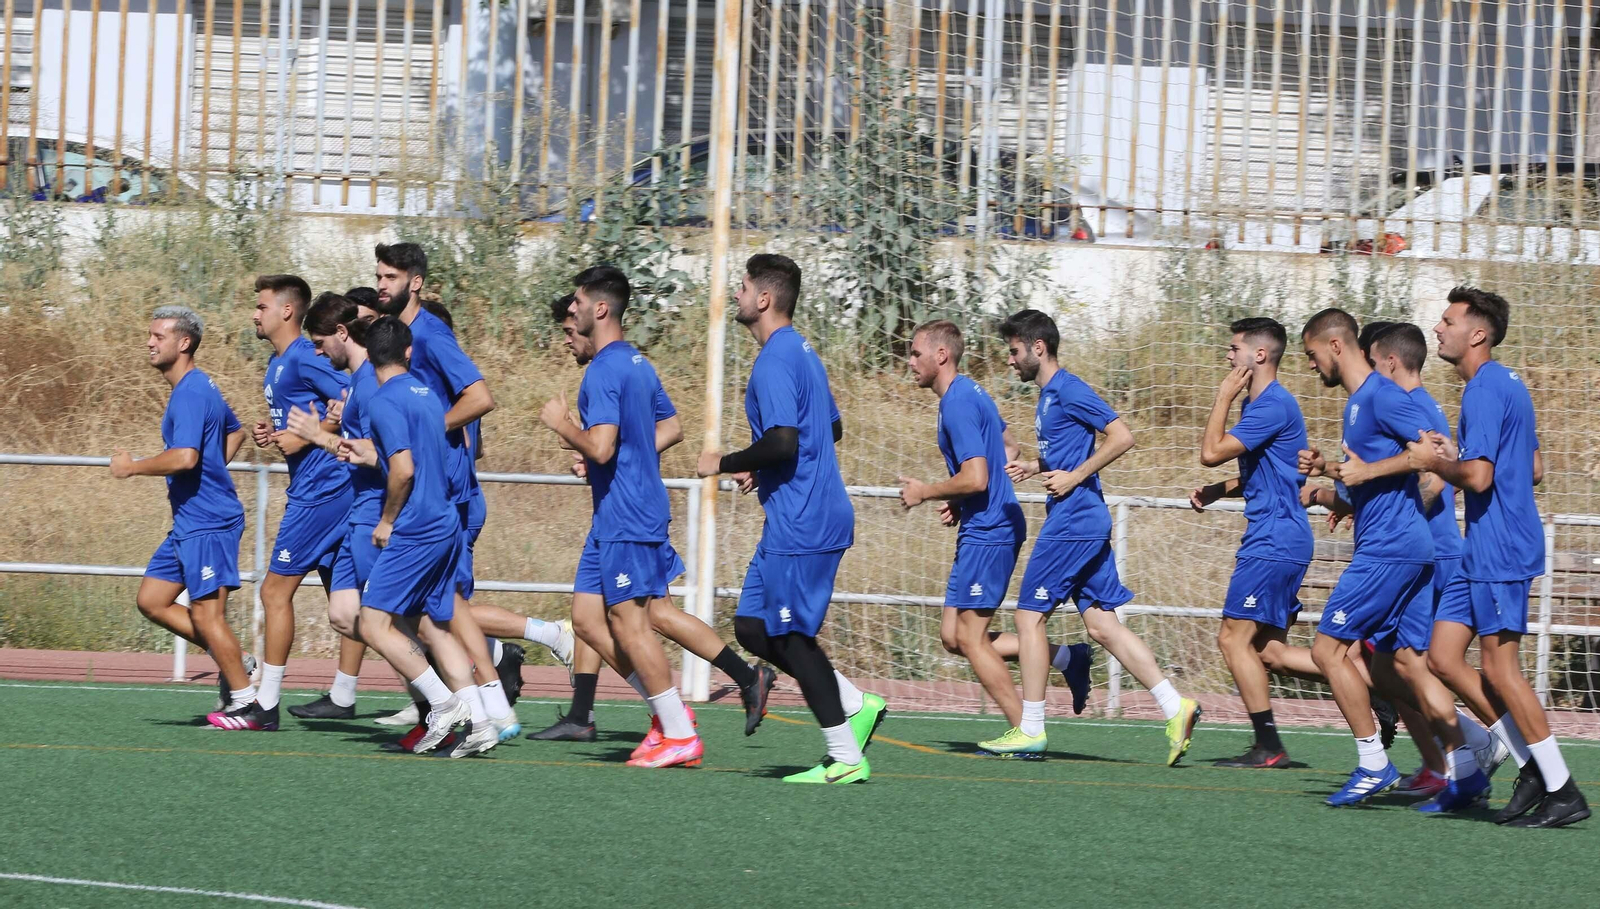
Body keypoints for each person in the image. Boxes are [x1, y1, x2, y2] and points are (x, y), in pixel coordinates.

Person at [697, 253, 885, 784]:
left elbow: (784, 440)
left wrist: (726, 462)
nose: (736, 294)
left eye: (743, 286)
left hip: (805, 522)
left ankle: (845, 757)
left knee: (792, 639)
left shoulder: (776, 358)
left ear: (764, 299)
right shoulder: (802, 350)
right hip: (794, 517)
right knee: (753, 628)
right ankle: (853, 700)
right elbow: (830, 429)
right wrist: (765, 469)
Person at [1406, 287, 1590, 827]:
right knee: (1442, 656)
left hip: (1502, 547)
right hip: (1481, 546)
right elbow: (1531, 467)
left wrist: (1434, 464)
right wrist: (1456, 455)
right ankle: (1533, 764)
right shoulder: (1505, 382)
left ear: (1477, 333)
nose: (1438, 328)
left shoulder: (1485, 390)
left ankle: (1561, 788)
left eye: (1447, 321)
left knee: (1500, 670)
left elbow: (1483, 477)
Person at [1000, 309, 1201, 763]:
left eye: (1013, 351)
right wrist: (1038, 467)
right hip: (1081, 519)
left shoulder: (1069, 388)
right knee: (1101, 625)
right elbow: (1066, 452)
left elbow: (1122, 436)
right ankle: (1177, 705)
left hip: (1073, 521)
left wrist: (1072, 478)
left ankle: (1030, 727)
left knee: (1029, 617)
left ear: (1038, 347)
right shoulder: (1048, 395)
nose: (1009, 360)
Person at [897, 320, 1091, 751]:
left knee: (970, 636)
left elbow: (979, 475)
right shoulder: (970, 392)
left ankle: (1027, 730)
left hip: (991, 532)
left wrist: (928, 492)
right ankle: (1066, 657)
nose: (909, 362)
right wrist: (962, 495)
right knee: (953, 636)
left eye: (915, 354)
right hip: (983, 525)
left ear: (940, 356)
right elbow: (1008, 449)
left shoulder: (957, 403)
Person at [1295, 307, 1447, 806]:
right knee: (1399, 665)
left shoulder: (1382, 395)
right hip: (1397, 545)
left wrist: (1364, 473)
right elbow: (1373, 474)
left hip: (1391, 549)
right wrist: (1333, 471)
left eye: (1313, 355)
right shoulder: (1359, 403)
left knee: (1327, 650)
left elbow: (1431, 455)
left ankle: (1373, 762)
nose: (1313, 367)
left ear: (1336, 346)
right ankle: (1472, 749)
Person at [373, 243, 521, 741]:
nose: (381, 285)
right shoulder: (405, 341)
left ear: (415, 282)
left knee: (438, 614)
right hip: (434, 496)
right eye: (379, 276)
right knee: (440, 616)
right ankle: (486, 714)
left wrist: (428, 435)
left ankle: (487, 709)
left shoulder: (431, 338)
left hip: (444, 499)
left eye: (390, 277)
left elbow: (480, 397)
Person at [338, 315, 494, 755]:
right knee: (434, 626)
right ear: (408, 352)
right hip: (446, 521)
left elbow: (403, 469)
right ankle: (481, 723)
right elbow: (440, 458)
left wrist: (386, 520)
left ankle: (443, 704)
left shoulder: (382, 403)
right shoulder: (428, 396)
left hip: (417, 527)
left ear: (368, 355)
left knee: (371, 622)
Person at [113, 307, 256, 725]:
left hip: (209, 522)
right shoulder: (196, 387)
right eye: (150, 334)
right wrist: (214, 470)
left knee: (208, 617)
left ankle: (247, 703)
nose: (150, 342)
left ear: (184, 343)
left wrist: (133, 466)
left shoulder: (192, 392)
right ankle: (237, 659)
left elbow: (185, 456)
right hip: (192, 521)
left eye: (159, 336)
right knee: (152, 600)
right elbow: (236, 430)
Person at [1191, 318, 1316, 769]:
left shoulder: (1271, 405)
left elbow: (1210, 452)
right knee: (1270, 652)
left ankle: (1269, 746)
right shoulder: (1261, 405)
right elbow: (1265, 475)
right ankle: (1374, 681)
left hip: (1273, 539)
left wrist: (1222, 396)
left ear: (1258, 355)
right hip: (1282, 536)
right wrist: (1218, 491)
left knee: (1232, 639)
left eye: (1233, 348)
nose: (1228, 356)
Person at [233, 275, 352, 731]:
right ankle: (482, 661)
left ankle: (265, 705)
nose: (254, 314)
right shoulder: (277, 362)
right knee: (353, 608)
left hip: (323, 490)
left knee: (273, 590)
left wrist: (311, 434)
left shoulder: (304, 356)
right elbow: (300, 419)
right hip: (317, 488)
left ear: (287, 311)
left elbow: (351, 398)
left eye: (261, 306)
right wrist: (274, 432)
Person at [282, 293, 380, 720]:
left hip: (377, 515)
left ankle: (466, 691)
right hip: (359, 510)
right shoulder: (358, 384)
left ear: (343, 333)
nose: (317, 353)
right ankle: (349, 695)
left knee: (408, 620)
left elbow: (390, 458)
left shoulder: (374, 383)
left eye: (321, 344)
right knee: (345, 613)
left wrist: (317, 433)